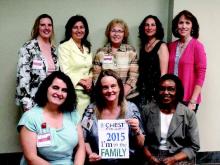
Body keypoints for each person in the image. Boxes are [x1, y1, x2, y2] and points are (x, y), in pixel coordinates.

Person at [17, 71, 85, 165]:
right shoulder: (30, 117)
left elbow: (81, 147)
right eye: (55, 88)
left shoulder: (72, 114)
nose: (59, 93)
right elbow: (31, 157)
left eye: (64, 90)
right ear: (46, 89)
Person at [82, 69, 144, 165]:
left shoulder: (131, 109)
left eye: (113, 86)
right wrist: (90, 154)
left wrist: (137, 131)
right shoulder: (91, 110)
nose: (110, 90)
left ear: (120, 87)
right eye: (105, 87)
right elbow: (83, 138)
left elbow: (141, 144)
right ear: (100, 90)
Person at [141, 74, 200, 165]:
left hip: (179, 156)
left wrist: (174, 159)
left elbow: (194, 146)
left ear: (178, 91)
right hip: (153, 156)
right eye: (162, 89)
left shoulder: (188, 114)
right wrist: (149, 157)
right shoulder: (147, 111)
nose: (166, 92)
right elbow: (141, 141)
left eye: (171, 89)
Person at [16, 14, 59, 111]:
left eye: (49, 25)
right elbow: (22, 78)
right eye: (42, 25)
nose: (46, 28)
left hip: (51, 101)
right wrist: (26, 104)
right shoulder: (28, 48)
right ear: (37, 27)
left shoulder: (54, 50)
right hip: (33, 102)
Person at [168, 10, 207, 112]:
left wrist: (192, 101)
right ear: (177, 26)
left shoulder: (197, 46)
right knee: (170, 128)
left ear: (192, 26)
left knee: (185, 128)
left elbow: (201, 75)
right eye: (181, 23)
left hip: (188, 100)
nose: (184, 26)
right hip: (171, 98)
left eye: (187, 23)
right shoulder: (171, 46)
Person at [93, 18, 139, 102]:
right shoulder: (100, 52)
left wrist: (120, 95)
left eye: (120, 31)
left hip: (128, 97)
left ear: (124, 34)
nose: (116, 34)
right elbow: (96, 78)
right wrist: (109, 94)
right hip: (107, 97)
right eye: (113, 31)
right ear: (108, 33)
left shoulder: (131, 51)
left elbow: (133, 76)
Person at [58, 15, 93, 116]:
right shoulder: (64, 47)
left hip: (88, 92)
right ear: (70, 30)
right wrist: (82, 82)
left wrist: (90, 80)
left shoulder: (87, 47)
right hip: (73, 91)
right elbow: (65, 71)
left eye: (81, 27)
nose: (79, 30)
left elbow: (91, 68)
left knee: (87, 122)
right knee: (74, 122)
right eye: (75, 27)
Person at [137, 15, 169, 108]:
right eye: (146, 25)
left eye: (153, 25)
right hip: (142, 90)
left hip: (155, 92)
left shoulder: (162, 46)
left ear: (157, 27)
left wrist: (159, 93)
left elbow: (163, 74)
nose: (149, 27)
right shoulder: (143, 46)